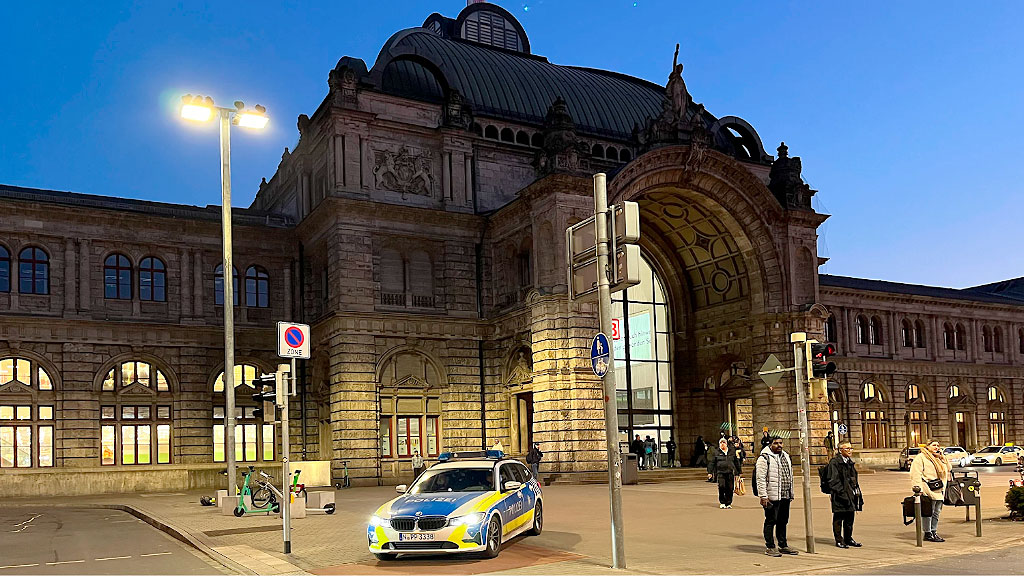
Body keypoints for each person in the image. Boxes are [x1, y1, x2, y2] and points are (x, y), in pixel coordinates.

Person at [756, 436, 799, 557]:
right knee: (771, 521)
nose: (779, 445)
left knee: (783, 521)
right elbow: (760, 478)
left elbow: (789, 476)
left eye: (781, 443)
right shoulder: (764, 458)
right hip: (772, 496)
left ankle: (783, 545)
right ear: (770, 445)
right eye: (776, 443)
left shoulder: (785, 456)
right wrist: (763, 496)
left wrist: (791, 493)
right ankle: (770, 546)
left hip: (785, 495)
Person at [910, 439, 950, 542]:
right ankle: (927, 532)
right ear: (927, 446)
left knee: (937, 512)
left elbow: (949, 468)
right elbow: (915, 473)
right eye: (934, 445)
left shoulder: (938, 457)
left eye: (938, 445)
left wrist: (943, 457)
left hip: (940, 488)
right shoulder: (921, 457)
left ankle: (934, 531)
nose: (936, 447)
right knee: (928, 511)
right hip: (928, 487)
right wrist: (918, 488)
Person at [827, 440, 863, 548]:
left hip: (851, 494)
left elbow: (853, 478)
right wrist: (842, 493)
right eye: (847, 448)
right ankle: (839, 540)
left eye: (850, 448)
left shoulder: (849, 462)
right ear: (840, 450)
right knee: (838, 518)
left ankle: (848, 538)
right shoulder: (835, 462)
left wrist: (857, 493)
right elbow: (833, 480)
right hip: (839, 495)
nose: (850, 450)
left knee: (849, 518)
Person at [707, 437, 741, 508]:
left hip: (730, 472)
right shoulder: (716, 452)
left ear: (726, 444)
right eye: (721, 443)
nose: (722, 444)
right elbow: (712, 463)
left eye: (724, 442)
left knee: (730, 488)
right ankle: (722, 502)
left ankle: (728, 503)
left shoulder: (731, 451)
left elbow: (736, 462)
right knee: (722, 486)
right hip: (720, 472)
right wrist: (710, 472)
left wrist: (739, 472)